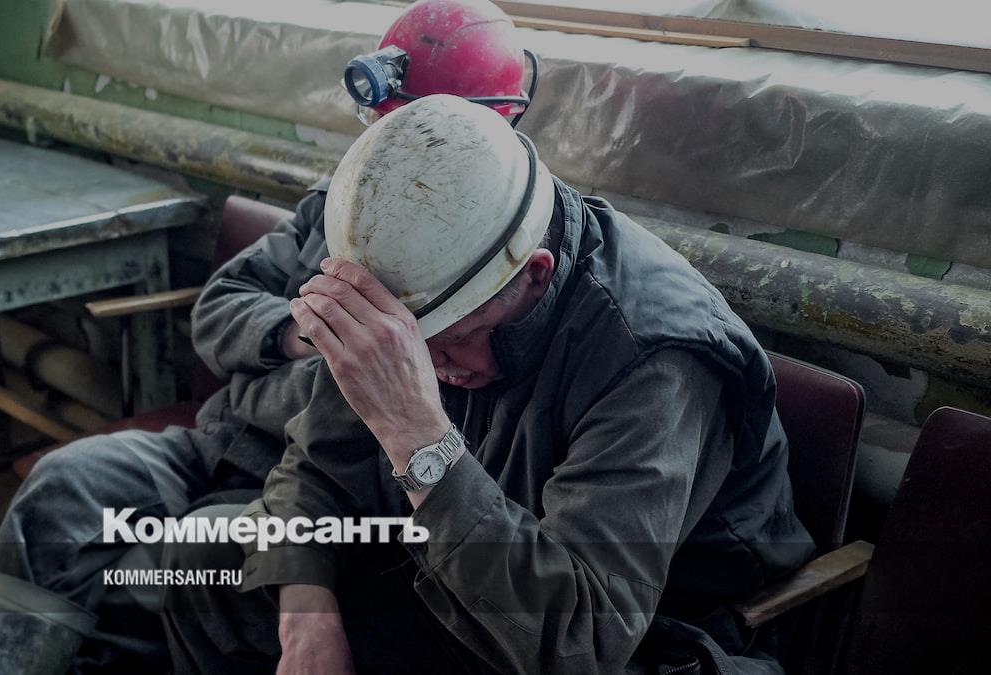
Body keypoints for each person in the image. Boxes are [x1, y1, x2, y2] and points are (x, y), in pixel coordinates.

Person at [0, 1, 539, 672]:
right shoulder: (336, 202)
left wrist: (309, 367)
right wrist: (302, 331)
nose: (382, 159)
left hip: (301, 488)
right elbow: (218, 308)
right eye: (381, 128)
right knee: (64, 485)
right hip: (214, 442)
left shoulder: (482, 272)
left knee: (176, 566)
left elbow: (384, 437)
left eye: (409, 136)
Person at [161, 95, 816, 674]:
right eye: (412, 345)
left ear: (535, 273)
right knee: (204, 557)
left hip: (635, 640)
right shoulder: (417, 300)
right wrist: (309, 623)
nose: (429, 366)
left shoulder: (651, 358)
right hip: (456, 578)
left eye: (449, 340)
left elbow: (578, 641)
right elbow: (313, 470)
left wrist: (416, 434)